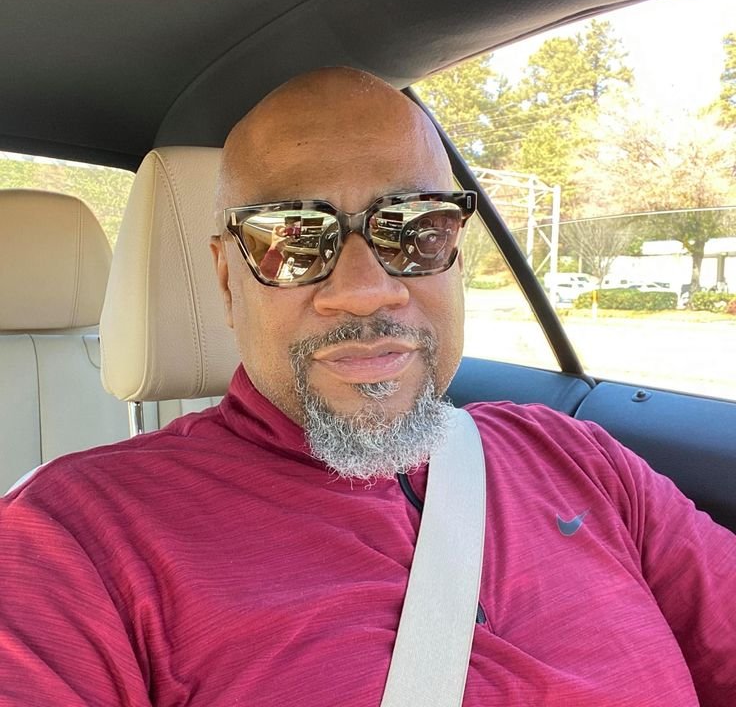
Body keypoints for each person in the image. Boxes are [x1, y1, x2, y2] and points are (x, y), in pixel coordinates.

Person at [0, 67, 734, 706]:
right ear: (227, 280)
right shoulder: (69, 542)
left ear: (454, 251)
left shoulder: (580, 459)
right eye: (293, 240)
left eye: (413, 228)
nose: (364, 290)